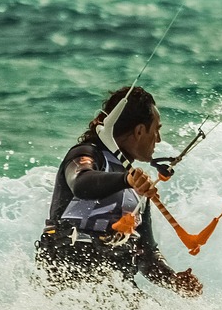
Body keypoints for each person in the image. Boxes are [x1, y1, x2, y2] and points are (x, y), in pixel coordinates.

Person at [36, 86, 203, 298]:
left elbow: (146, 254)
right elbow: (81, 183)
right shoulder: (87, 155)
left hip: (112, 282)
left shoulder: (138, 185)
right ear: (140, 131)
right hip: (69, 273)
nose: (158, 139)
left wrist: (174, 280)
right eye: (156, 130)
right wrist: (127, 179)